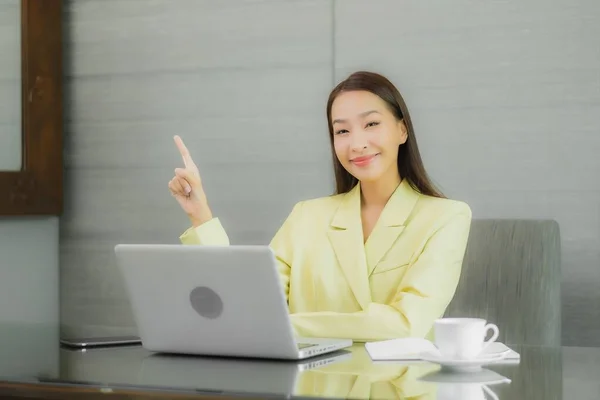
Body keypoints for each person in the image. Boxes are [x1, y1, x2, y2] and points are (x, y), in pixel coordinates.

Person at [168, 71, 472, 342]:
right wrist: (200, 215)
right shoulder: (307, 216)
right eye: (342, 131)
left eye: (371, 124)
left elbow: (407, 324)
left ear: (402, 130)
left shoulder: (446, 217)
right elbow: (243, 304)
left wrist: (282, 326)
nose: (357, 143)